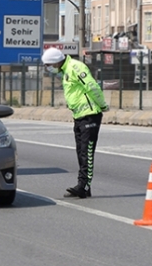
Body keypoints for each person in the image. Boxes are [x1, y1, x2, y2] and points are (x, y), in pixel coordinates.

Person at [41, 48, 109, 199]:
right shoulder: (65, 70)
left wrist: (102, 104)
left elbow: (91, 86)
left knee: (87, 152)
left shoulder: (75, 67)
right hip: (79, 116)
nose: (48, 68)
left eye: (48, 65)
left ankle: (83, 186)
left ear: (56, 61)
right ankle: (84, 186)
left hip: (90, 115)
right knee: (80, 152)